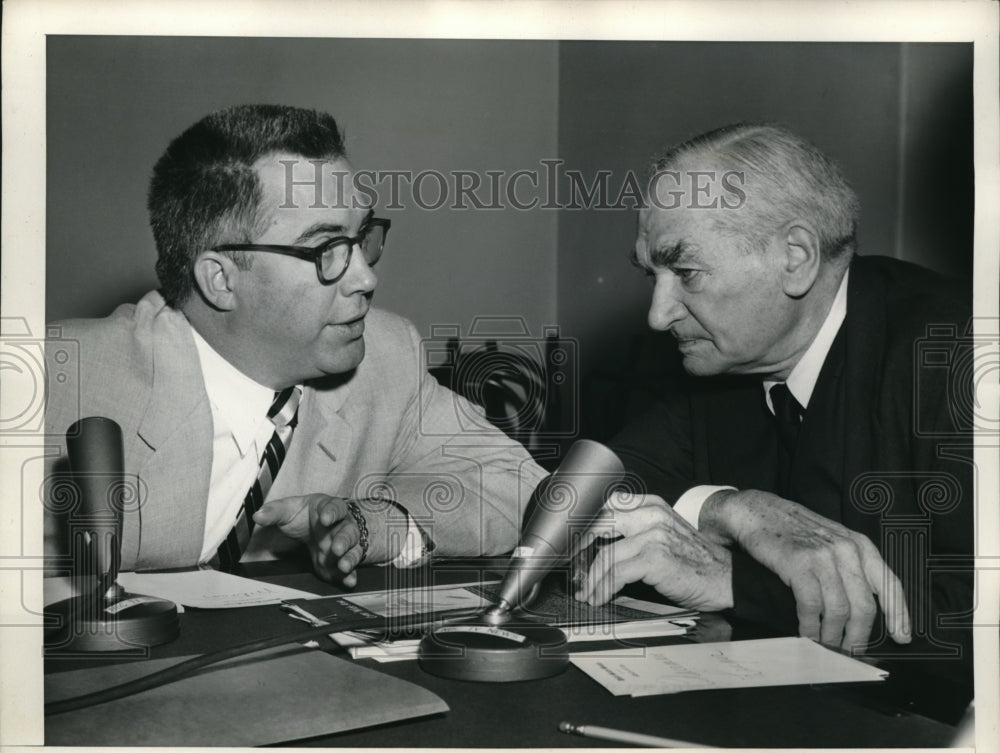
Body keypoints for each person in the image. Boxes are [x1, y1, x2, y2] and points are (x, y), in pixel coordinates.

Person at [43, 104, 547, 585]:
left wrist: (374, 524)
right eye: (327, 247)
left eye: (362, 237)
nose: (367, 278)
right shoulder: (55, 382)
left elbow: (522, 485)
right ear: (220, 280)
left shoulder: (386, 355)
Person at [575, 124, 973, 683]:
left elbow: (977, 620)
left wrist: (735, 582)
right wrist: (731, 510)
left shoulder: (960, 356)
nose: (658, 315)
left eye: (685, 272)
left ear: (795, 257)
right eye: (653, 276)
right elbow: (574, 497)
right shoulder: (721, 361)